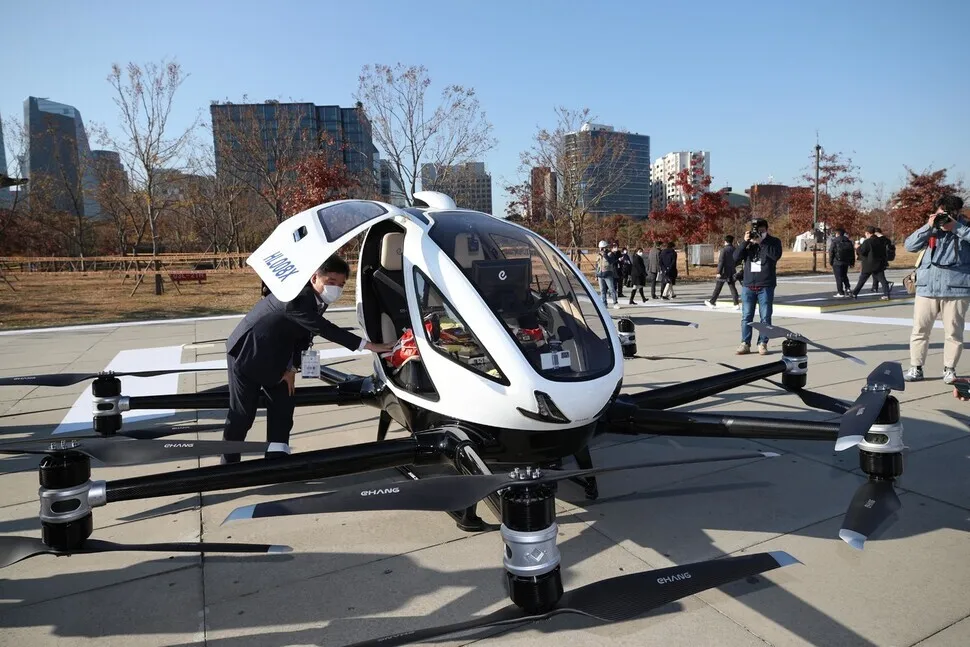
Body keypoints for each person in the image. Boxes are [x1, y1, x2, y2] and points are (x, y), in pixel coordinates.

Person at [220, 256, 394, 463]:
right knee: (243, 414)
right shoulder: (295, 298)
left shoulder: (318, 298)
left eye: (341, 284)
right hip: (248, 354)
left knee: (283, 408)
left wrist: (292, 368)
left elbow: (303, 336)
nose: (336, 289)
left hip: (278, 357)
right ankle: (228, 463)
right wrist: (368, 345)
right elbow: (323, 328)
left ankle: (276, 459)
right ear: (314, 278)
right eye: (330, 282)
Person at [902, 194, 970, 384]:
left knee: (954, 332)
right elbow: (909, 246)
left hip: (956, 288)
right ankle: (916, 367)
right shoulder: (931, 229)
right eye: (941, 213)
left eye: (949, 214)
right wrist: (928, 226)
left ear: (958, 213)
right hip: (927, 287)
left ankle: (949, 369)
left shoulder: (965, 227)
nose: (944, 217)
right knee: (919, 330)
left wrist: (956, 227)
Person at [734, 218, 783, 355]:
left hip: (765, 285)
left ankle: (763, 343)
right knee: (746, 316)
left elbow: (775, 256)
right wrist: (745, 242)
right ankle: (745, 343)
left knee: (765, 317)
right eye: (757, 230)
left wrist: (761, 243)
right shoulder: (748, 243)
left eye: (761, 230)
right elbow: (735, 258)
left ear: (766, 230)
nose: (758, 233)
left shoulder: (774, 242)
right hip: (749, 284)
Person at [849, 226, 891, 300]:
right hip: (878, 263)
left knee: (862, 280)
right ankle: (886, 294)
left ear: (868, 233)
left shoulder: (867, 242)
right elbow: (886, 241)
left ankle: (854, 293)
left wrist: (857, 247)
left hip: (869, 264)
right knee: (882, 280)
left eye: (865, 233)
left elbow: (862, 252)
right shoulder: (880, 240)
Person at [705, 235, 740, 310]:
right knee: (732, 287)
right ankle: (736, 303)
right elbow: (738, 260)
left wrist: (718, 272)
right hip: (732, 271)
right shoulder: (735, 249)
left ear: (725, 241)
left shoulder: (724, 250)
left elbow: (721, 261)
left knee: (718, 288)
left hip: (723, 272)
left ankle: (712, 302)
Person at [829, 227, 855, 298]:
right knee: (844, 275)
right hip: (846, 262)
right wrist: (852, 262)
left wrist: (830, 262)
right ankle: (848, 288)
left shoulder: (834, 241)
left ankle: (840, 292)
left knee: (838, 277)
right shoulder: (848, 241)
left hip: (837, 262)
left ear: (837, 233)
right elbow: (852, 252)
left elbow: (831, 252)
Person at [869, 228, 896, 293]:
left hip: (879, 259)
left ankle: (882, 286)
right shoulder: (887, 240)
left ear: (876, 233)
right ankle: (875, 287)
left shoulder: (879, 240)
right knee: (877, 273)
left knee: (879, 275)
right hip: (885, 259)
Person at [595, 240, 620, 308]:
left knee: (611, 289)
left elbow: (611, 261)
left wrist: (605, 255)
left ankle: (615, 303)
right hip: (600, 274)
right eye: (601, 248)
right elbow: (597, 265)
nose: (602, 249)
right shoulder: (598, 255)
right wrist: (596, 275)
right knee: (602, 290)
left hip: (608, 274)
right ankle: (604, 304)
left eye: (603, 247)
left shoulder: (610, 254)